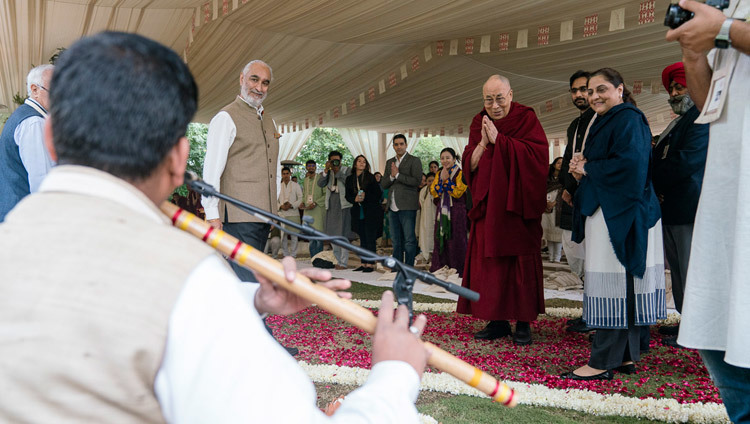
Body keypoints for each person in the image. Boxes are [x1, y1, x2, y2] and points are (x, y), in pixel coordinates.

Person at [0, 31, 430, 423]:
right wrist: (393, 376)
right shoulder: (184, 280)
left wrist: (248, 298)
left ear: (51, 137)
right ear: (178, 158)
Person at [666, 1, 750, 420]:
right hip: (726, 193)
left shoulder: (728, 19)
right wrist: (693, 52)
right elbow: (708, 102)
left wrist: (726, 28)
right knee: (719, 328)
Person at [562, 68, 666, 381]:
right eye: (590, 91)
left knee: (616, 286)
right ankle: (623, 357)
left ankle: (602, 360)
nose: (594, 96)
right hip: (611, 212)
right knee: (622, 287)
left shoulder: (628, 119)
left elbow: (630, 165)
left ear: (620, 90)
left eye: (601, 89)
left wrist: (589, 166)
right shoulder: (609, 120)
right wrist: (582, 170)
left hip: (621, 214)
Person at [459, 75, 548, 346]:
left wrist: (502, 141)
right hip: (489, 205)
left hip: (517, 207)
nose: (495, 105)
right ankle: (496, 320)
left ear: (511, 95)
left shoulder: (526, 118)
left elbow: (539, 157)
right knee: (491, 266)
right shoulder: (479, 122)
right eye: (488, 99)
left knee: (519, 263)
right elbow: (470, 165)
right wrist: (485, 143)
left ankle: (523, 323)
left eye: (499, 98)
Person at [201, 59, 279, 282]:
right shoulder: (226, 117)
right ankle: (255, 319)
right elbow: (212, 169)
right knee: (249, 281)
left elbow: (274, 167)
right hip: (237, 216)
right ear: (242, 79)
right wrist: (212, 214)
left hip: (264, 217)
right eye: (254, 79)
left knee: (252, 279)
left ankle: (247, 317)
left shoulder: (269, 121)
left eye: (265, 83)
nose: (259, 87)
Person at [651, 62, 709, 347]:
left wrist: (653, 179)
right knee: (678, 269)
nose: (674, 93)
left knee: (690, 269)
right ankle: (687, 322)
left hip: (690, 207)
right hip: (672, 208)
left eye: (680, 86)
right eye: (672, 88)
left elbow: (685, 162)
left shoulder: (703, 117)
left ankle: (696, 329)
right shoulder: (679, 121)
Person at [560, 70, 597, 334]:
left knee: (596, 259)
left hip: (595, 196)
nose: (579, 95)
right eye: (574, 90)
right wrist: (567, 187)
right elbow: (567, 157)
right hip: (575, 195)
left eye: (584, 89)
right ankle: (588, 312)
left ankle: (596, 314)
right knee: (580, 256)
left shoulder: (601, 119)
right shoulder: (575, 124)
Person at [0, 64, 55, 222]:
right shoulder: (33, 122)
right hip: (22, 215)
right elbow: (41, 179)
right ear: (35, 89)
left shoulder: (25, 115)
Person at [381, 134, 423, 266]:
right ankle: (397, 266)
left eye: (401, 144)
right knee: (396, 240)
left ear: (406, 145)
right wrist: (392, 177)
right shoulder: (390, 162)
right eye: (396, 144)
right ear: (393, 146)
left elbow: (416, 181)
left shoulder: (414, 160)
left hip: (407, 205)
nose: (399, 147)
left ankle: (409, 266)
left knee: (409, 239)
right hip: (392, 205)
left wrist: (398, 175)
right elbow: (383, 184)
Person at [429, 148, 469, 277]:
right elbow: (434, 191)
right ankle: (441, 265)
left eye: (448, 158)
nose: (444, 161)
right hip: (442, 209)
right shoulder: (439, 173)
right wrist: (442, 180)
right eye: (442, 158)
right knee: (441, 237)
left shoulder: (461, 173)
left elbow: (458, 192)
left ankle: (458, 267)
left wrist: (445, 181)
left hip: (457, 210)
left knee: (456, 238)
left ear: (453, 158)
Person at [345, 155, 382, 272]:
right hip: (357, 211)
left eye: (364, 162)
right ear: (355, 164)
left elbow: (378, 195)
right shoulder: (349, 179)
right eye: (359, 161)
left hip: (370, 211)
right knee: (362, 238)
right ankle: (363, 262)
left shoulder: (370, 177)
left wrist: (366, 197)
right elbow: (347, 195)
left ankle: (370, 264)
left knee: (370, 237)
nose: (362, 163)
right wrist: (354, 199)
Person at [318, 150, 352, 269]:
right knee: (332, 234)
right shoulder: (328, 172)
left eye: (337, 160)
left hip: (343, 205)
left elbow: (349, 182)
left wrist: (337, 172)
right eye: (332, 161)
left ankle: (344, 262)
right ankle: (337, 260)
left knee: (343, 234)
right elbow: (320, 183)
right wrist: (326, 171)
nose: (335, 163)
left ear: (341, 160)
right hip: (331, 204)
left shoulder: (347, 170)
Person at [300, 159, 326, 257]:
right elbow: (304, 194)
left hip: (318, 210)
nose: (311, 167)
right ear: (306, 167)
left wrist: (315, 203)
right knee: (311, 237)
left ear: (315, 167)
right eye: (309, 165)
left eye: (313, 165)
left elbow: (325, 194)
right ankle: (313, 258)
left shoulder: (320, 178)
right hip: (307, 211)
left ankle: (318, 258)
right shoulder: (305, 180)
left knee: (318, 237)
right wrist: (302, 203)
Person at [542, 157, 564, 263]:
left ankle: (557, 257)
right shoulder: (547, 179)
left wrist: (555, 202)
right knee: (549, 233)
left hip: (559, 208)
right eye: (558, 162)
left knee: (558, 234)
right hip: (546, 208)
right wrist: (546, 203)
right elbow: (541, 190)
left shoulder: (564, 178)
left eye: (562, 163)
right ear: (554, 164)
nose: (560, 164)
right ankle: (551, 256)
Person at [278, 166, 303, 258]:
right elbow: (275, 199)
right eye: (283, 174)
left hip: (293, 213)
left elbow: (301, 198)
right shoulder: (279, 186)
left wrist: (291, 205)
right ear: (281, 175)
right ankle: (285, 254)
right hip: (282, 214)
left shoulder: (296, 185)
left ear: (290, 174)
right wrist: (281, 206)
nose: (285, 176)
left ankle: (293, 254)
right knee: (283, 235)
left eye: (287, 174)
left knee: (294, 235)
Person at [417, 172, 436, 263]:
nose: (431, 182)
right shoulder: (423, 191)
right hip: (425, 217)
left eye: (433, 180)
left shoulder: (438, 189)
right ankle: (426, 254)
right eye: (429, 181)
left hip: (435, 215)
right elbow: (421, 202)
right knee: (425, 234)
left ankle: (434, 255)